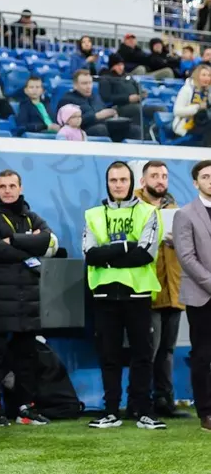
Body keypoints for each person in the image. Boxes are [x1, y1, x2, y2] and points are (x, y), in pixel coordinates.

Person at [83, 162, 165, 430]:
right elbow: (90, 254)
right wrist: (126, 247)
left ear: (133, 182)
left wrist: (108, 255)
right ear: (107, 183)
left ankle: (142, 410)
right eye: (113, 180)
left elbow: (145, 254)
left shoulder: (149, 212)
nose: (118, 185)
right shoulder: (93, 214)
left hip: (138, 293)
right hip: (104, 294)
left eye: (123, 180)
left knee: (143, 354)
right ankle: (110, 411)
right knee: (109, 355)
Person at [0, 170, 56, 426]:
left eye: (12, 185)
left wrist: (13, 241)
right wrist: (26, 249)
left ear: (20, 188)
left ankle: (25, 407)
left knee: (27, 357)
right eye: (3, 186)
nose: (8, 190)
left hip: (28, 301)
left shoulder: (31, 217)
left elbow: (47, 240)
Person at [136, 161, 187, 418]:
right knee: (148, 351)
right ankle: (141, 402)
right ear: (143, 180)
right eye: (154, 175)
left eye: (164, 176)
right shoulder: (135, 209)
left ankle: (165, 400)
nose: (160, 180)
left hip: (174, 290)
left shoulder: (175, 210)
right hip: (148, 290)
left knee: (167, 350)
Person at [173, 160, 211, 432]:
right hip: (202, 296)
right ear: (196, 183)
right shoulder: (185, 214)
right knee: (203, 356)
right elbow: (186, 257)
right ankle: (206, 412)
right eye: (206, 176)